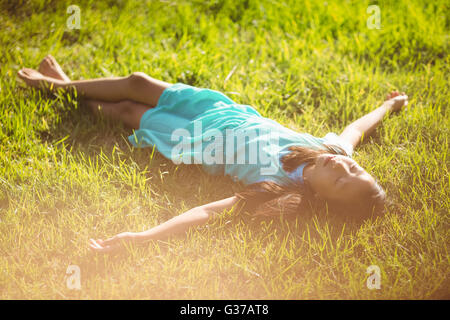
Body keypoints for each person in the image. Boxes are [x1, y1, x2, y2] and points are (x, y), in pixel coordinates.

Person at [17, 55, 409, 253]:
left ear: (322, 198)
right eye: (353, 167)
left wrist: (143, 237)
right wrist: (389, 107)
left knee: (126, 113)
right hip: (219, 111)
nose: (342, 164)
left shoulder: (275, 188)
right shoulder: (331, 150)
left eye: (340, 179)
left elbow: (206, 212)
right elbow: (357, 129)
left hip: (193, 137)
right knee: (137, 82)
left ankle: (61, 86)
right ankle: (55, 87)